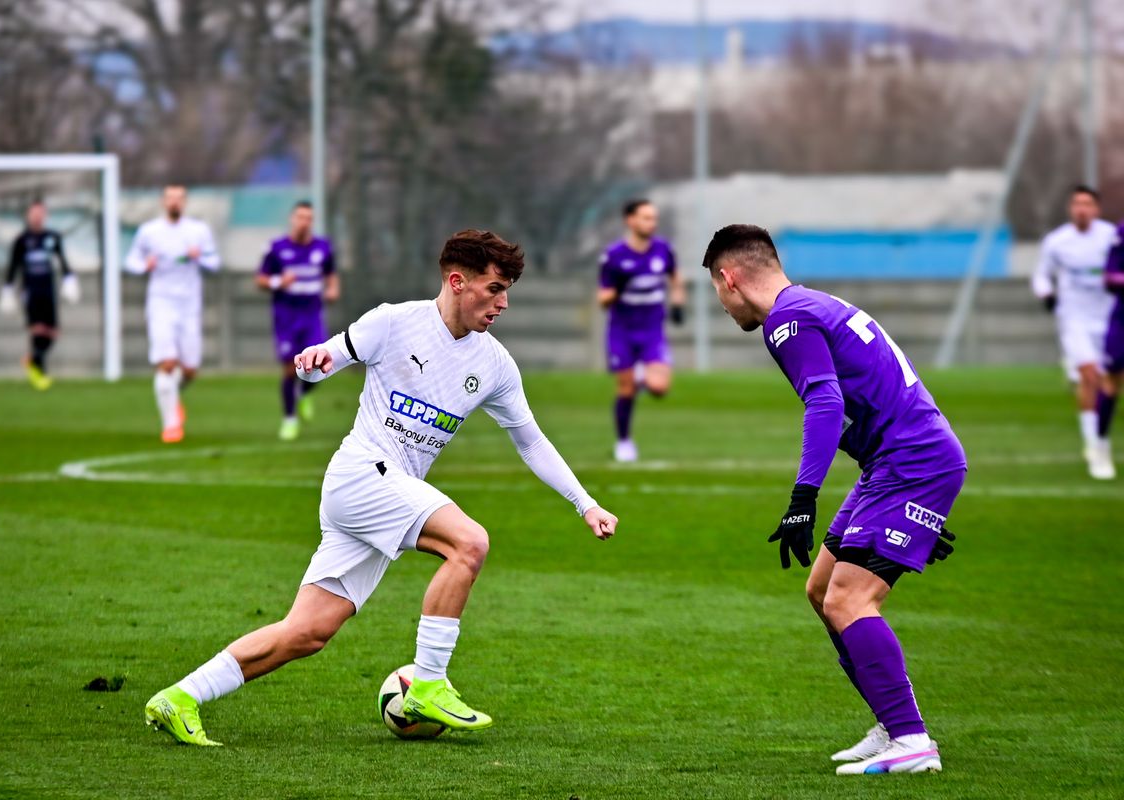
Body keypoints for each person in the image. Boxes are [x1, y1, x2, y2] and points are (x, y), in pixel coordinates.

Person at [145, 229, 619, 745]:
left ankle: (180, 697)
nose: (503, 303)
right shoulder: (393, 322)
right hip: (363, 473)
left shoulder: (495, 365)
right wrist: (313, 363)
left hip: (383, 492)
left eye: (508, 291)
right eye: (494, 289)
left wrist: (585, 503)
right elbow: (326, 357)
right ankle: (429, 683)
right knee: (470, 542)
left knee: (306, 633)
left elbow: (531, 442)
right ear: (458, 282)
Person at [701, 224, 964, 776]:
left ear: (730, 278)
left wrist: (803, 498)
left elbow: (824, 401)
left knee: (849, 599)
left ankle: (913, 741)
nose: (722, 305)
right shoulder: (814, 304)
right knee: (821, 589)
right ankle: (893, 726)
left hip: (909, 462)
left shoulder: (787, 320)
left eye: (716, 291)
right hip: (896, 464)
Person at [1032, 185, 1116, 479]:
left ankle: (1097, 434)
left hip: (1108, 318)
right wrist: (1047, 294)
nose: (1082, 209)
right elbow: (1041, 274)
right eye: (1077, 204)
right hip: (1074, 318)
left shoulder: (1111, 237)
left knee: (1110, 383)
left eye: (1087, 204)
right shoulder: (1057, 241)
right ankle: (1095, 446)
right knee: (1090, 376)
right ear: (1071, 209)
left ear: (1097, 209)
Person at [125, 185, 220, 443]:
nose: (174, 203)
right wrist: (145, 265)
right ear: (163, 202)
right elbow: (130, 261)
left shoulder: (198, 231)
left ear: (185, 202)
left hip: (189, 305)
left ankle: (172, 399)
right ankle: (171, 424)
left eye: (179, 198)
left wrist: (199, 257)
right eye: (170, 198)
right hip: (161, 303)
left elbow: (214, 262)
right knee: (167, 363)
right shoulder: (149, 232)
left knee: (189, 370)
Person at [597, 199, 685, 462]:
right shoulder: (613, 256)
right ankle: (624, 442)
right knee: (625, 390)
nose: (652, 223)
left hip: (652, 330)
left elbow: (675, 278)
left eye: (654, 218)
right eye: (646, 218)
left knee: (659, 387)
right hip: (622, 330)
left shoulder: (663, 250)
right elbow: (602, 299)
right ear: (630, 220)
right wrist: (618, 288)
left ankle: (639, 373)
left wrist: (678, 303)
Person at [255, 201, 339, 441]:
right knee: (290, 369)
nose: (304, 222)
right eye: (300, 217)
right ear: (292, 219)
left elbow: (331, 275)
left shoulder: (322, 247)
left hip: (312, 314)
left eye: (309, 218)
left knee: (321, 364)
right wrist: (277, 282)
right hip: (286, 315)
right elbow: (261, 279)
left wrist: (332, 289)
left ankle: (304, 394)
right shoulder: (277, 248)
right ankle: (290, 419)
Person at [0, 199, 79, 390]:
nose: (37, 216)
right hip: (30, 291)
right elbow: (13, 265)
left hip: (48, 289)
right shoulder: (21, 240)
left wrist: (70, 279)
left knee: (53, 332)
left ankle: (32, 359)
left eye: (40, 212)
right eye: (34, 212)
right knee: (37, 329)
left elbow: (63, 260)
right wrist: (7, 289)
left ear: (45, 215)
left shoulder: (52, 237)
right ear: (28, 215)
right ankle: (40, 374)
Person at [1094, 220, 1124, 479]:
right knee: (1112, 382)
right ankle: (1100, 445)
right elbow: (1110, 276)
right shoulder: (1122, 231)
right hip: (1122, 320)